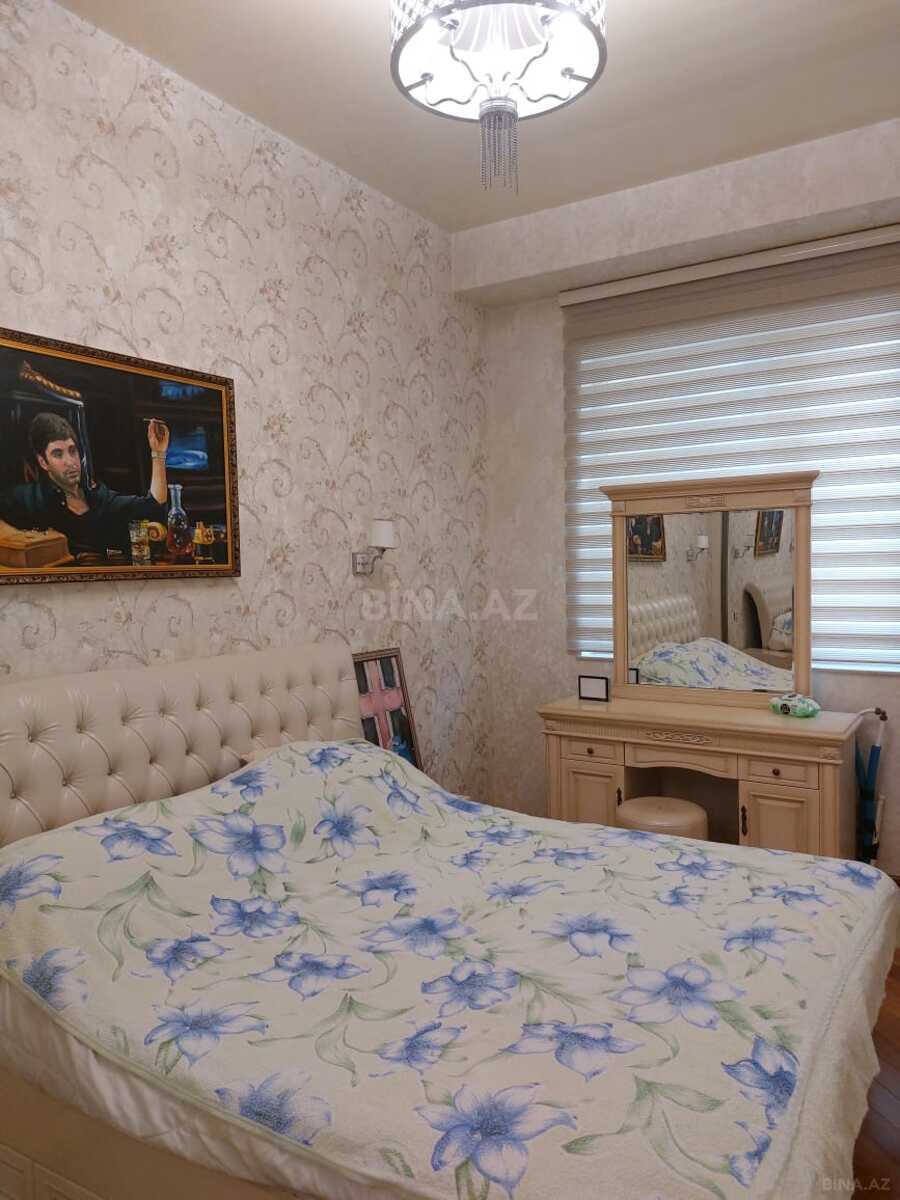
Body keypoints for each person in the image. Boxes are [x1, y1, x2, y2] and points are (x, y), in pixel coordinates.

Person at [0, 412, 170, 559]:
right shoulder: (29, 498)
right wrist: (20, 540)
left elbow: (153, 504)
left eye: (72, 451)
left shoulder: (98, 496)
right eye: (58, 454)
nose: (70, 462)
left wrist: (158, 453)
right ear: (43, 462)